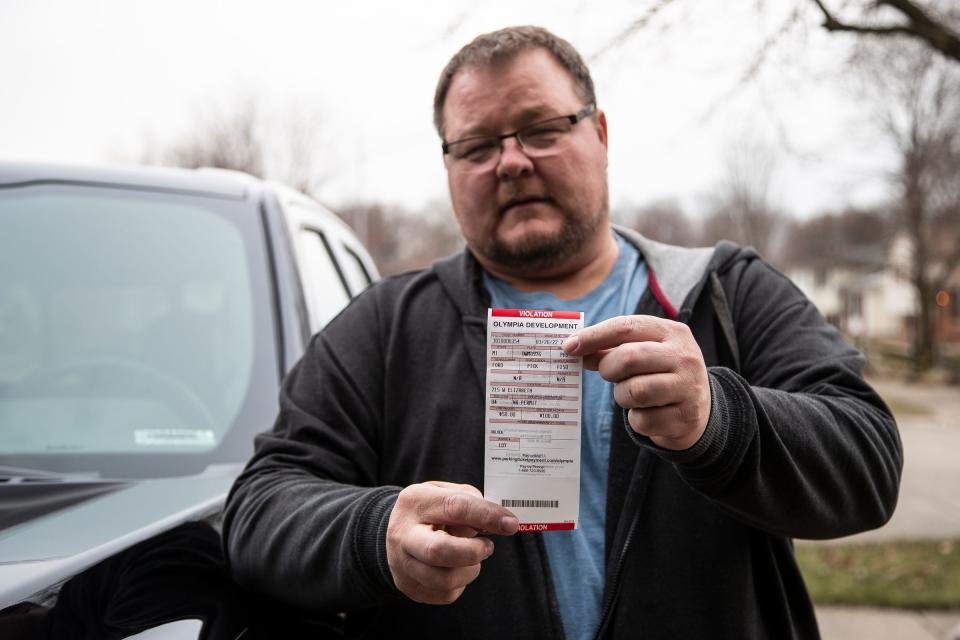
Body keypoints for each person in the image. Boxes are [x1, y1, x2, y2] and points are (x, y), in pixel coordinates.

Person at [222, 26, 902, 639]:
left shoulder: (727, 292)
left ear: (600, 135)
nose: (512, 162)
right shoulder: (385, 328)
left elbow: (868, 467)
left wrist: (719, 419)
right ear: (449, 168)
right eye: (478, 145)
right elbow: (259, 511)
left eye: (541, 129)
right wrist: (376, 536)